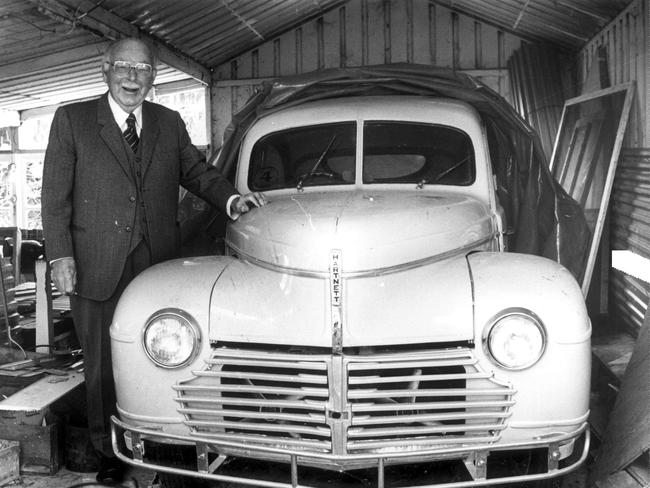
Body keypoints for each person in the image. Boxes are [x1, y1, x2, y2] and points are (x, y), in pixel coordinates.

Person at [41, 37, 265, 484]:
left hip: (158, 264)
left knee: (164, 352)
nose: (131, 77)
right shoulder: (73, 119)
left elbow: (197, 173)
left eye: (141, 69)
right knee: (102, 363)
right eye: (122, 66)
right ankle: (109, 453)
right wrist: (60, 255)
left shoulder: (168, 121)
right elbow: (54, 196)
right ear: (104, 69)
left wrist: (233, 199)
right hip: (94, 263)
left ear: (153, 77)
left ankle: (162, 444)